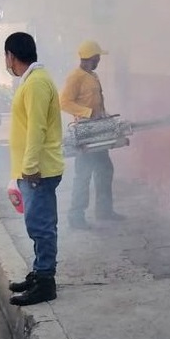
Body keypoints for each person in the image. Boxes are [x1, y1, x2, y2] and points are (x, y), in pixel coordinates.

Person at [3, 32, 64, 306]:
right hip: (32, 169)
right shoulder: (32, 81)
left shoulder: (37, 83)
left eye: (6, 57)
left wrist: (28, 167)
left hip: (38, 170)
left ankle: (45, 281)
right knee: (37, 224)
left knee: (41, 225)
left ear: (11, 56)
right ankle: (40, 271)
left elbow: (37, 128)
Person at [60, 39, 123, 229]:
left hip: (98, 130)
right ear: (89, 58)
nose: (99, 61)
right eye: (97, 58)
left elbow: (96, 101)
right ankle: (76, 216)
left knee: (105, 170)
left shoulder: (93, 76)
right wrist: (88, 113)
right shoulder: (75, 77)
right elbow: (64, 102)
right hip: (85, 133)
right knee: (83, 175)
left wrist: (104, 114)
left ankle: (104, 210)